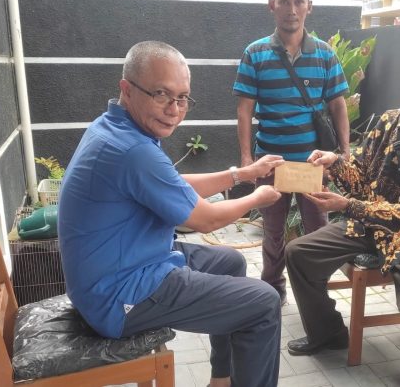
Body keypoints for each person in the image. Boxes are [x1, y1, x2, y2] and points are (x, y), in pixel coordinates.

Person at [58, 41, 285, 387]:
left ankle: (221, 380)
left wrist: (242, 174)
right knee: (265, 303)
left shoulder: (114, 127)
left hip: (125, 263)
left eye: (182, 98)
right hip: (118, 294)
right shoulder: (133, 150)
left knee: (230, 262)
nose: (174, 109)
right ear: (127, 89)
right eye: (161, 94)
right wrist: (257, 197)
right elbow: (206, 219)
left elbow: (172, 184)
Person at [285, 42, 400, 387]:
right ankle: (328, 332)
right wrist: (334, 162)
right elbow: (361, 175)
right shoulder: (389, 121)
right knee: (298, 253)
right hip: (368, 224)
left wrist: (348, 206)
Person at [233, 0, 350, 303]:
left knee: (318, 230)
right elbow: (244, 110)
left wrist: (343, 153)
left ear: (309, 7)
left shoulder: (325, 55)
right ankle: (273, 288)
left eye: (299, 2)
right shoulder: (255, 53)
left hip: (311, 164)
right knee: (272, 230)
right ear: (272, 6)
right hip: (271, 162)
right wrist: (247, 160)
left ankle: (315, 291)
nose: (292, 9)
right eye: (284, 2)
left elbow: (338, 105)